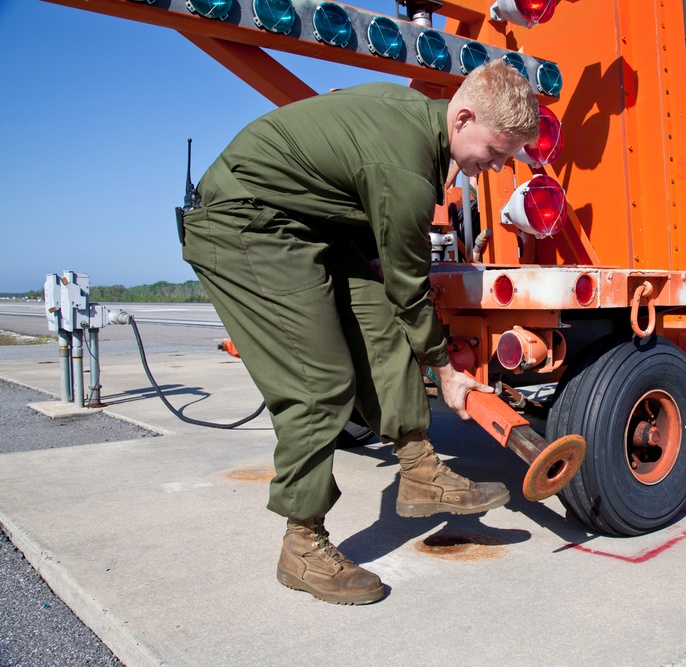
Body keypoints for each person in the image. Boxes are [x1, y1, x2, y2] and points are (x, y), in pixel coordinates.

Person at [180, 60, 539, 606]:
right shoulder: (408, 168)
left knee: (382, 322)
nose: (493, 167)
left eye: (506, 160)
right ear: (463, 117)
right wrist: (446, 371)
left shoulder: (417, 120)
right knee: (318, 381)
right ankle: (302, 542)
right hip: (243, 222)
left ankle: (419, 469)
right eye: (494, 153)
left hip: (305, 222)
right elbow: (410, 286)